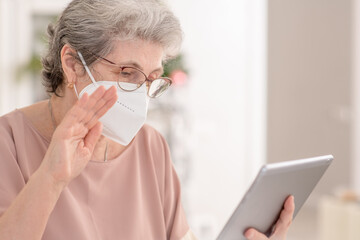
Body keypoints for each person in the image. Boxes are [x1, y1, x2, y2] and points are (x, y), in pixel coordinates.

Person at [0, 0, 295, 239]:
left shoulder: (150, 146)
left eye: (151, 79)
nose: (139, 93)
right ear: (73, 64)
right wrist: (51, 178)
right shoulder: (9, 142)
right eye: (127, 73)